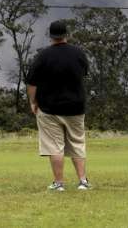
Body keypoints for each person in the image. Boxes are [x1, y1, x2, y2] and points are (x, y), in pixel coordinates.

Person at [26, 20, 91, 192]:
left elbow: (32, 83)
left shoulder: (43, 56)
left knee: (55, 146)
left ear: (50, 36)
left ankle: (59, 183)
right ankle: (83, 181)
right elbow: (84, 73)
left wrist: (33, 102)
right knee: (77, 143)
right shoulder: (79, 54)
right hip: (76, 107)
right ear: (66, 34)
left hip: (49, 108)